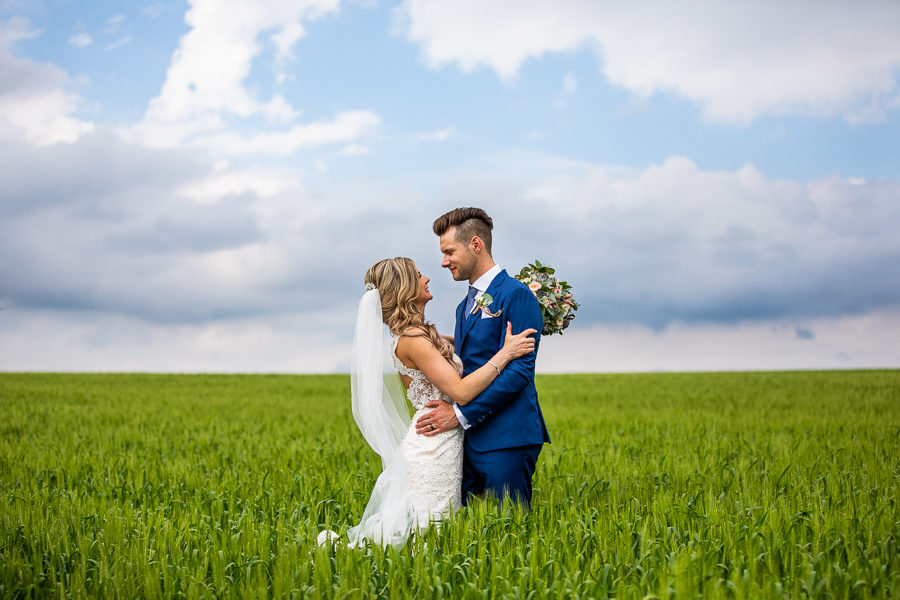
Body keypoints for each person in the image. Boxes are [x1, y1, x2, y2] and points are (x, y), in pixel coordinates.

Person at [342, 256, 536, 547]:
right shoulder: (413, 340)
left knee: (437, 529)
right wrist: (506, 353)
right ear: (406, 286)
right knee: (433, 529)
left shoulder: (419, 334)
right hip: (435, 446)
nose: (427, 278)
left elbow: (465, 347)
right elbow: (461, 392)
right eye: (420, 275)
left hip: (444, 437)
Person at [415, 207, 550, 507]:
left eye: (449, 251)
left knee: (510, 533)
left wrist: (459, 415)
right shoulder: (463, 305)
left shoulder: (516, 295)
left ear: (476, 244)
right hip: (469, 440)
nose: (443, 261)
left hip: (507, 438)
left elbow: (519, 373)